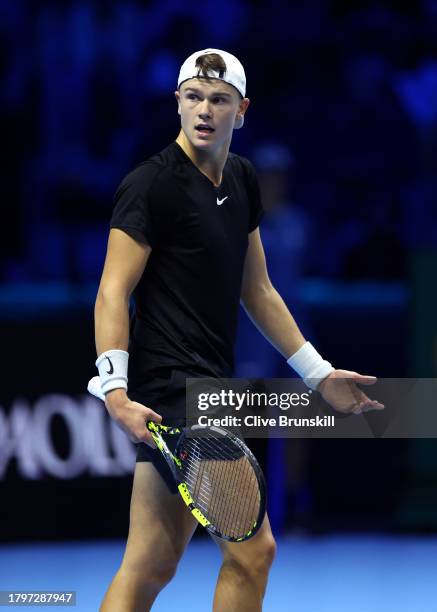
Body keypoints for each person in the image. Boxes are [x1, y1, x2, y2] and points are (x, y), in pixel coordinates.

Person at [91, 48, 384, 612]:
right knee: (254, 553)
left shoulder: (244, 179)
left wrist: (319, 376)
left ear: (241, 110)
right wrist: (115, 391)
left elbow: (259, 291)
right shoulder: (149, 185)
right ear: (177, 102)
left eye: (219, 100)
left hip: (204, 383)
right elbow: (112, 290)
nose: (205, 110)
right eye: (194, 97)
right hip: (175, 388)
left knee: (150, 563)